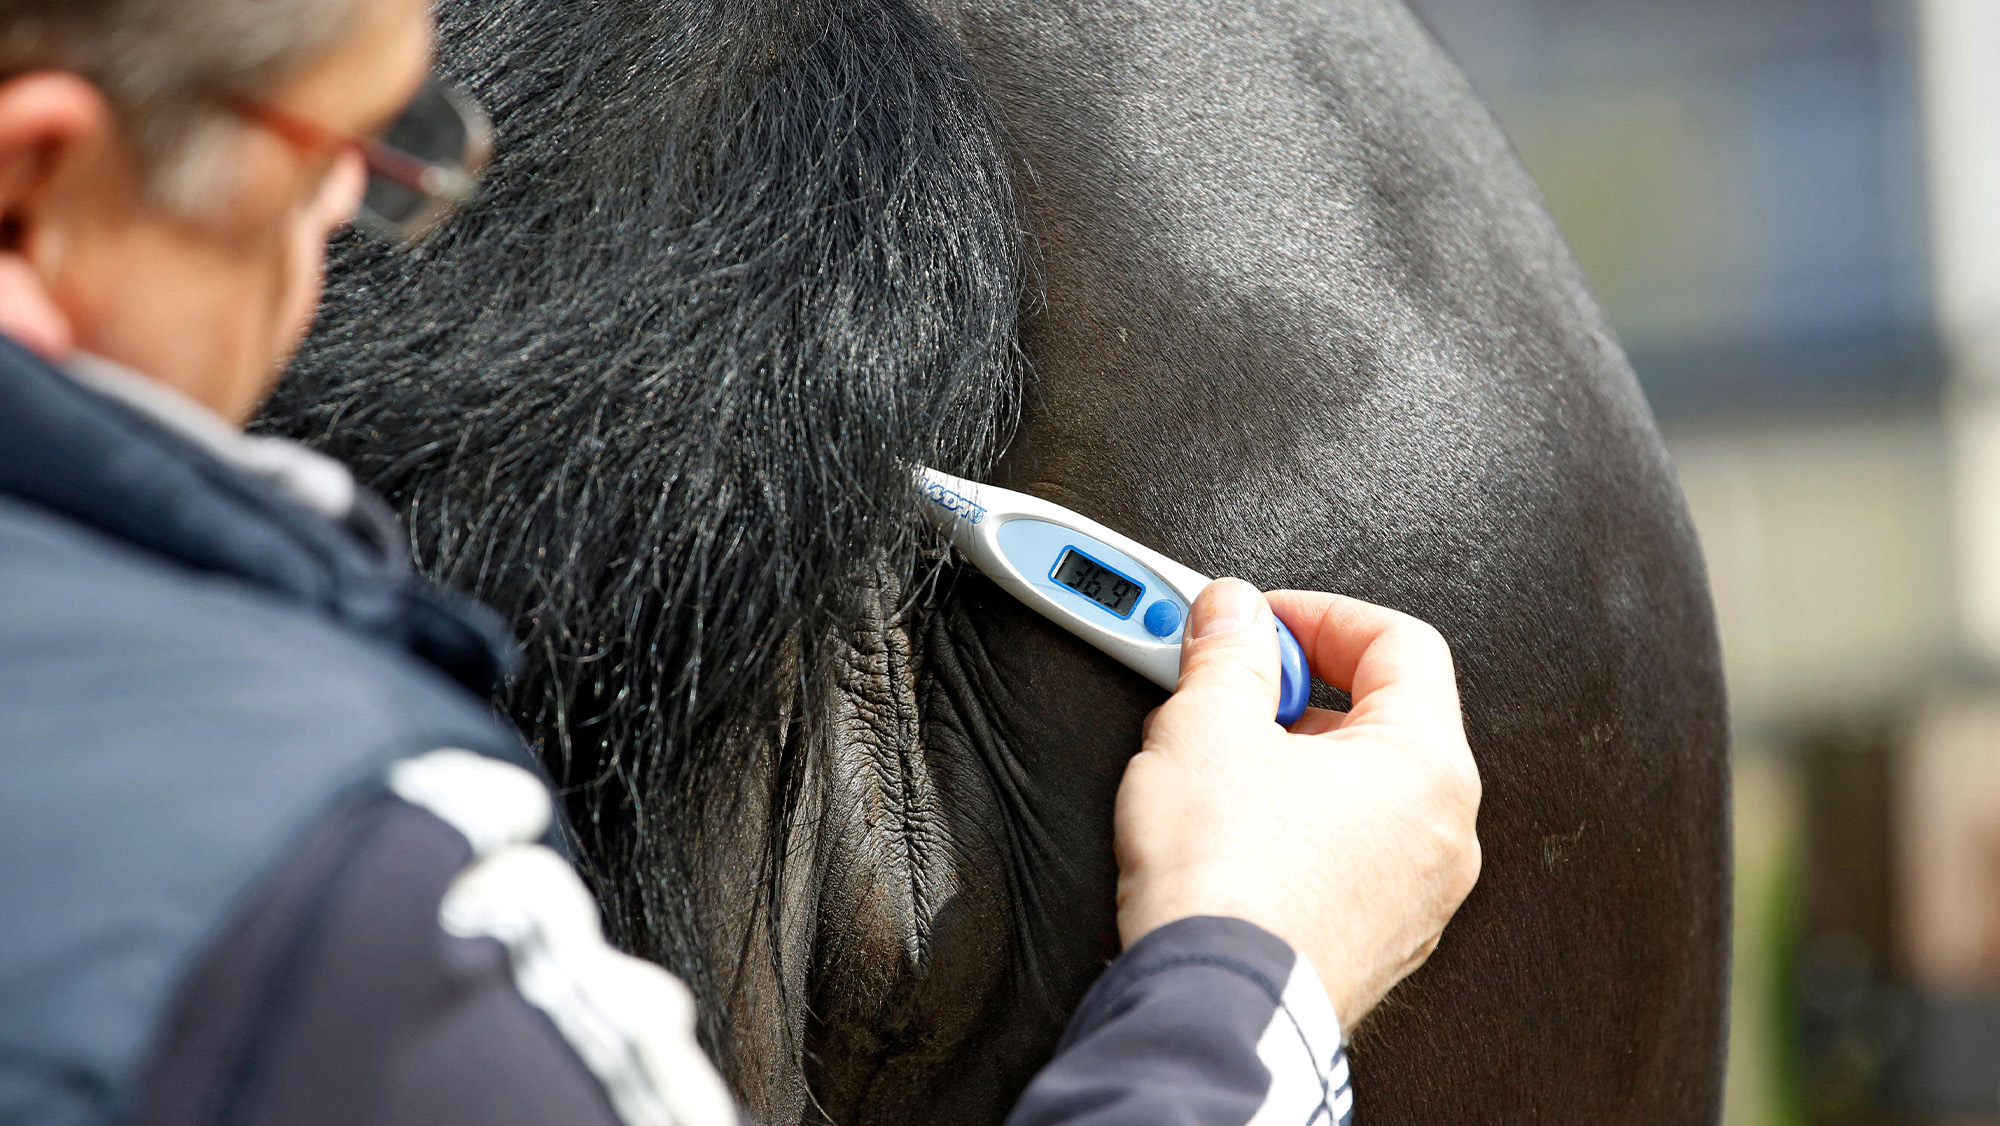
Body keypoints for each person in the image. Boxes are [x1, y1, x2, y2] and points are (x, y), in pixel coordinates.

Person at [0, 0, 1482, 1122]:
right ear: (31, 186)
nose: (341, 241)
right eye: (346, 164)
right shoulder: (335, 890)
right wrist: (1251, 971)